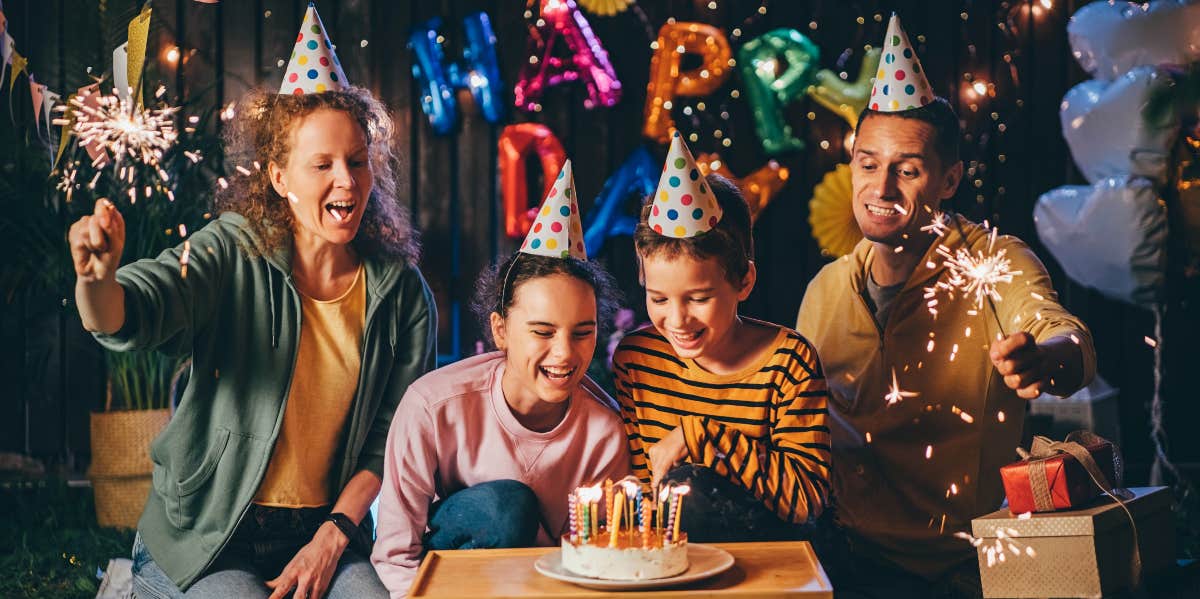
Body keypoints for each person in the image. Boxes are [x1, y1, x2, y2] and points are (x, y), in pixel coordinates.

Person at [69, 7, 435, 598]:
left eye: (358, 162)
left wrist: (333, 536)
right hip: (213, 532)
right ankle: (136, 580)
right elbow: (137, 312)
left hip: (325, 529)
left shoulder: (400, 291)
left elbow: (390, 437)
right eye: (322, 165)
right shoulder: (231, 253)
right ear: (279, 177)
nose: (347, 181)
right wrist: (97, 281)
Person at [795, 15, 1096, 598]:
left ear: (950, 178)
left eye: (907, 170)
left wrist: (1042, 359)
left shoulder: (992, 261)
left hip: (961, 574)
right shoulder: (825, 289)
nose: (880, 190)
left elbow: (1070, 341)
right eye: (868, 164)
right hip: (841, 565)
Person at [371, 160, 631, 598]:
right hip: (454, 578)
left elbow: (593, 560)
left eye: (582, 333)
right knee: (506, 507)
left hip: (545, 585)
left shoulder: (604, 432)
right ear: (500, 330)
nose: (565, 353)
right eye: (542, 332)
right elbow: (396, 556)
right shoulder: (432, 407)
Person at [612, 133, 831, 543]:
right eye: (658, 298)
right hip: (675, 561)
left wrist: (702, 434)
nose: (676, 319)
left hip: (769, 555)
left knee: (692, 490)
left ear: (744, 280)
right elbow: (648, 486)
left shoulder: (789, 363)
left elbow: (806, 501)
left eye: (698, 298)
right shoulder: (636, 360)